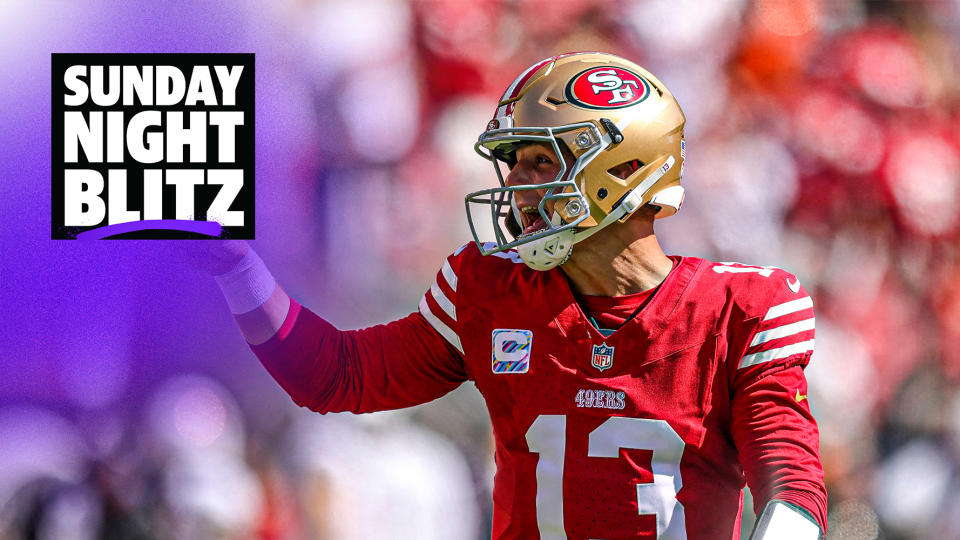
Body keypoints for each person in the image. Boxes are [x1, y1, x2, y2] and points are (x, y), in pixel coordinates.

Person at [200, 52, 827, 539]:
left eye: (537, 162)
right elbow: (338, 375)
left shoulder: (740, 311)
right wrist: (239, 270)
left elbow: (792, 490)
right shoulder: (494, 291)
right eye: (513, 164)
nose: (516, 186)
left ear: (624, 170)